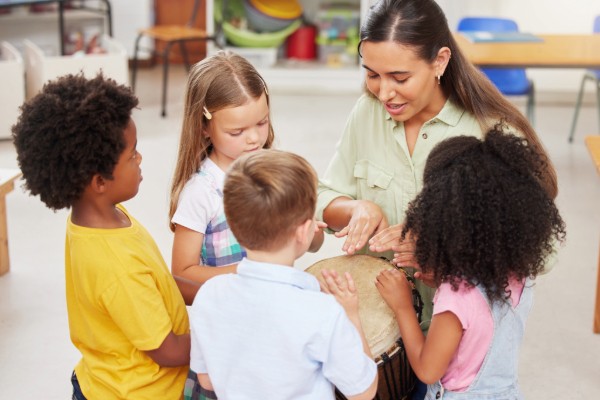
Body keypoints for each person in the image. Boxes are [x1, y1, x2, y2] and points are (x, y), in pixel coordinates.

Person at [316, 2, 558, 395]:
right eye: (372, 74)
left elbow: (537, 254)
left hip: (449, 355)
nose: (383, 92)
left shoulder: (491, 132)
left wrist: (437, 250)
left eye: (399, 76)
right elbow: (324, 194)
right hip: (384, 336)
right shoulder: (366, 113)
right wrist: (357, 207)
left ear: (440, 60)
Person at [11, 74, 202, 400]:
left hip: (103, 381)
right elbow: (168, 351)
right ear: (99, 181)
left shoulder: (99, 220)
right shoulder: (117, 264)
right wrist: (228, 330)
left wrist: (219, 292)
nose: (140, 159)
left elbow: (157, 283)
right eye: (132, 154)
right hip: (135, 393)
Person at [374, 128, 566, 399]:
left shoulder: (457, 298)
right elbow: (482, 319)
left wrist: (403, 305)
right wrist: (446, 278)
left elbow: (428, 371)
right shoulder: (521, 273)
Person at [188, 150, 378, 400]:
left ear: (234, 226)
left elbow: (207, 380)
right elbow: (363, 392)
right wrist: (350, 314)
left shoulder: (209, 295)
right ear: (304, 231)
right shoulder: (321, 312)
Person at [169, 50, 325, 286]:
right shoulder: (201, 192)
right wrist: (251, 270)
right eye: (236, 132)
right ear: (204, 127)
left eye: (262, 122)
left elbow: (314, 243)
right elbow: (182, 277)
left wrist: (310, 230)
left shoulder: (275, 171)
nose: (254, 138)